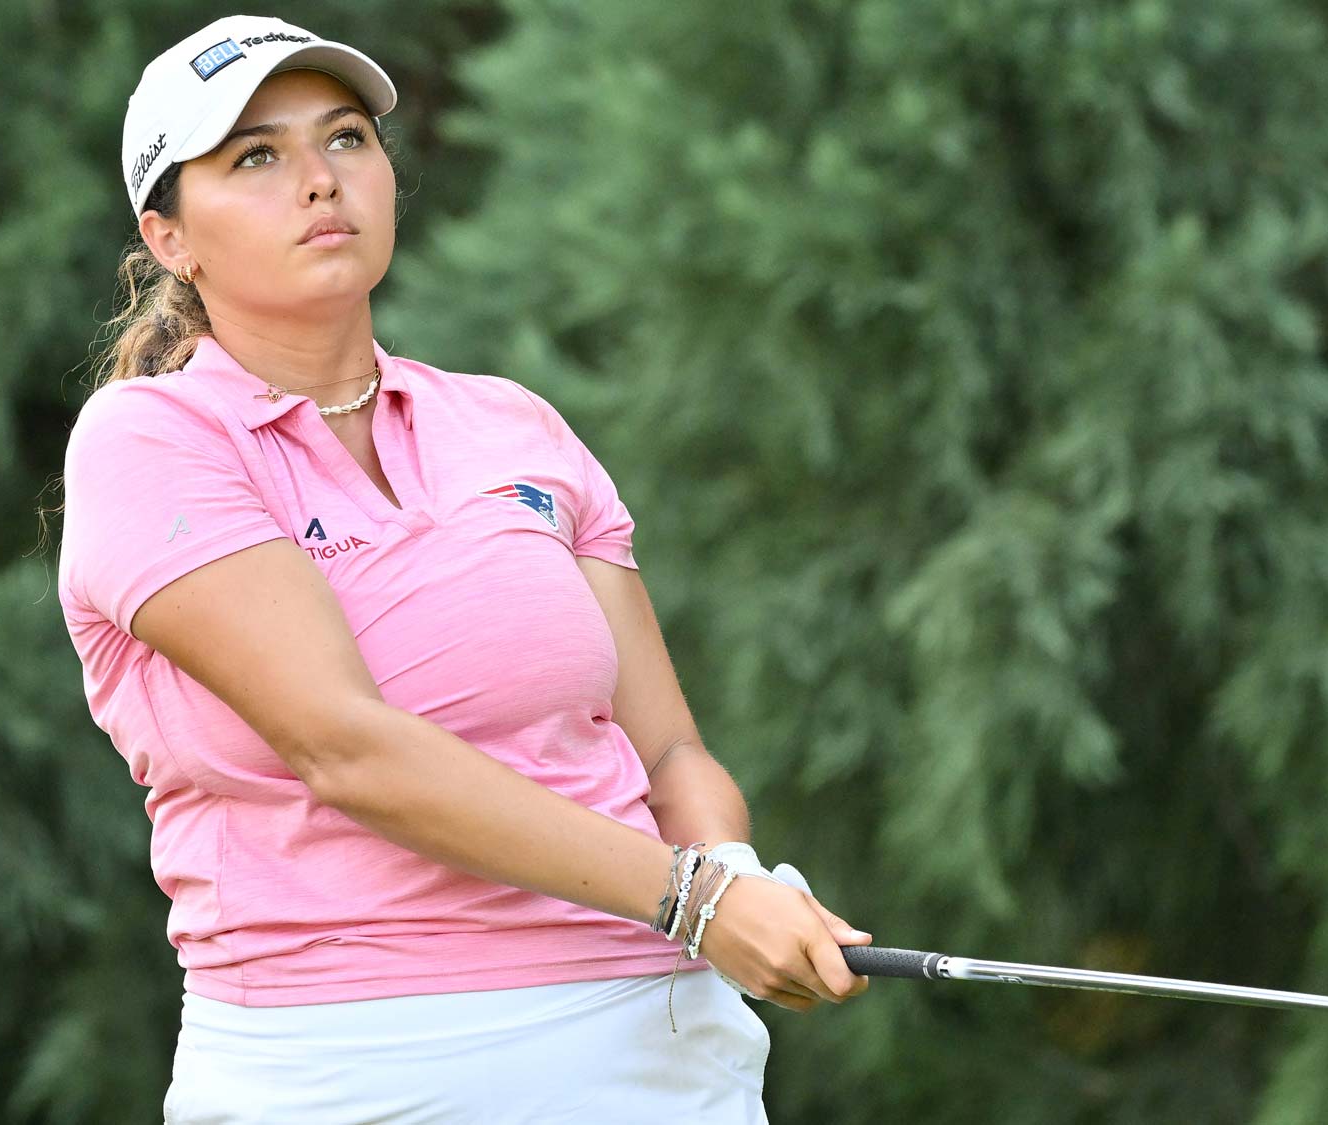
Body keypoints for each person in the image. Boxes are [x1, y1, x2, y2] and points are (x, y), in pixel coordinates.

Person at [57, 16, 868, 1123]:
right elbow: (346, 750)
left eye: (345, 139)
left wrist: (734, 871)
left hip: (658, 1045)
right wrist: (692, 898)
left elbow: (664, 743)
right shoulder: (149, 441)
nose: (318, 181)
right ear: (168, 239)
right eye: (255, 156)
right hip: (355, 1066)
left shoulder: (512, 424)